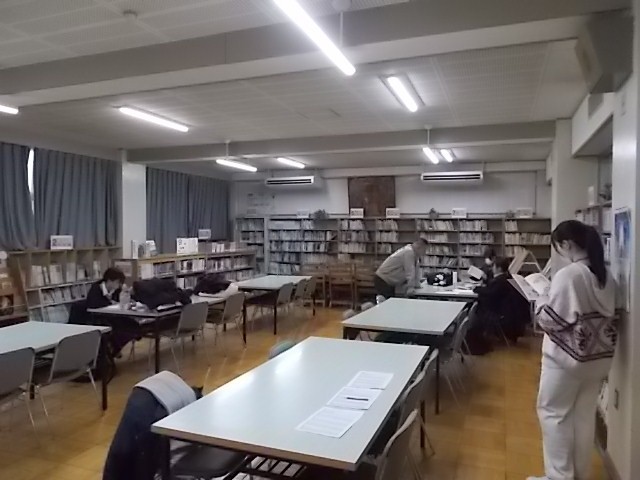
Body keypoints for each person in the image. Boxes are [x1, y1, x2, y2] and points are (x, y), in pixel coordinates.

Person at [528, 220, 617, 480]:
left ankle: (559, 476)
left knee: (553, 413)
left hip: (566, 360)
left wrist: (540, 299)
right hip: (597, 359)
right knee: (583, 417)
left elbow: (550, 320)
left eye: (558, 247)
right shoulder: (605, 274)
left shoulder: (570, 275)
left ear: (567, 244)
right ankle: (579, 474)